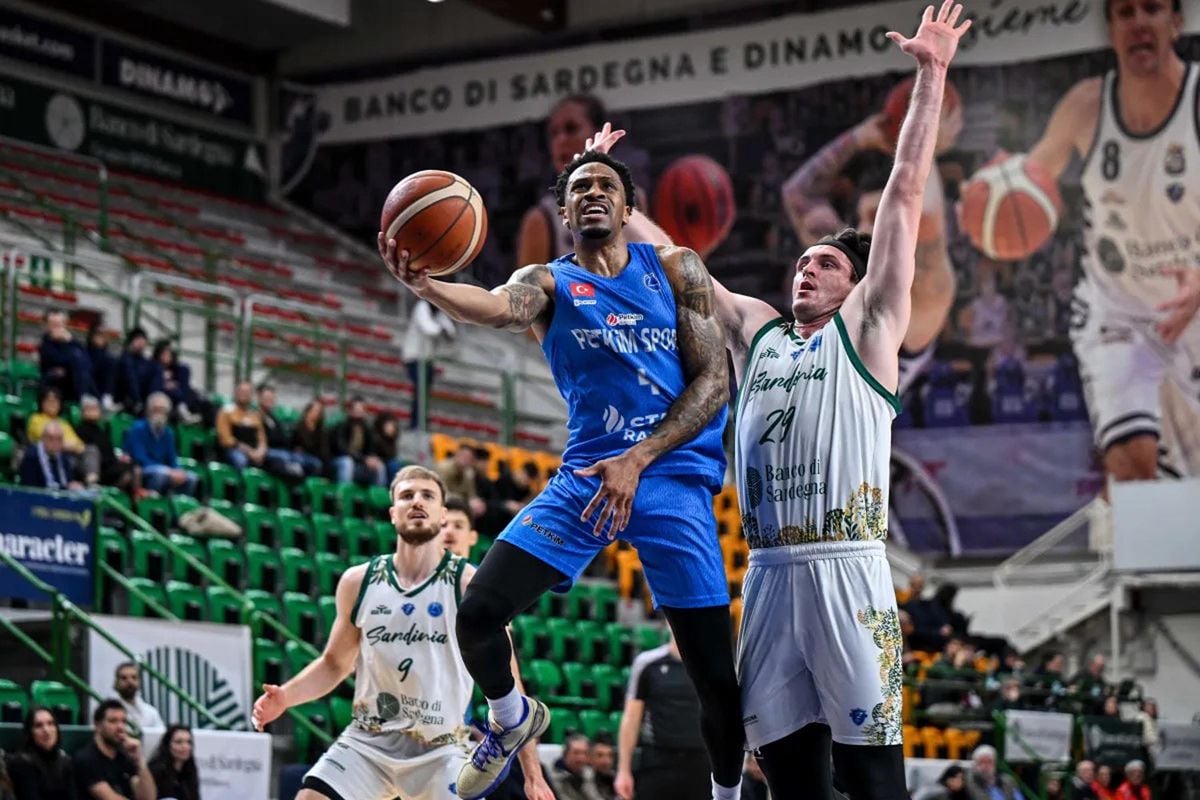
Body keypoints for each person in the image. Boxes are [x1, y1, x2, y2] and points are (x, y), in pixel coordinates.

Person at [380, 145, 743, 798]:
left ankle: (727, 794)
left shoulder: (675, 268)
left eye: (605, 185)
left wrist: (639, 457)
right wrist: (428, 287)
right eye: (579, 188)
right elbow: (495, 307)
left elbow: (715, 382)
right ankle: (510, 719)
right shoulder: (547, 283)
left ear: (627, 210)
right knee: (477, 615)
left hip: (671, 479)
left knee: (716, 679)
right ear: (565, 214)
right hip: (588, 478)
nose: (592, 192)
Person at [711, 5, 971, 797]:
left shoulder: (870, 325)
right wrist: (613, 202)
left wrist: (931, 75)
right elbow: (692, 277)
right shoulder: (761, 334)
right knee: (789, 782)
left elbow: (904, 193)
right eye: (800, 261)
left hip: (847, 566)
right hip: (768, 574)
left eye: (824, 263)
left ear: (855, 286)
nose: (806, 268)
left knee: (872, 781)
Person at [251, 466, 553, 800]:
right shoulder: (358, 582)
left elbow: (510, 683)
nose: (417, 501)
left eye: (428, 496)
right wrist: (287, 697)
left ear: (442, 514)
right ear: (393, 513)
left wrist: (533, 774)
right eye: (407, 495)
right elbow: (335, 663)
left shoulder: (470, 586)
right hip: (368, 741)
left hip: (441, 750)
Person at [1016, 0, 1199, 482]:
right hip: (1116, 310)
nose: (1138, 22)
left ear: (1176, 22)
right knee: (1131, 461)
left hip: (1193, 309)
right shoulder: (1085, 106)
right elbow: (1030, 182)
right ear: (1112, 29)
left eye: (1152, 8)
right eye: (1125, 12)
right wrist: (995, 195)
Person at [615, 634, 713, 800]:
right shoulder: (647, 663)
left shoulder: (713, 665)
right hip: (658, 760)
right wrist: (623, 770)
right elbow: (631, 719)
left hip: (702, 762)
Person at [72, 700, 155, 800]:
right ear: (98, 726)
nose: (120, 727)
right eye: (113, 721)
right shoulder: (86, 758)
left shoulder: (124, 757)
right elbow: (110, 797)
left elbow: (148, 797)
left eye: (123, 721)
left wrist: (140, 759)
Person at [123, 395, 197, 496]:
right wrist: (168, 471)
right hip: (142, 468)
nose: (159, 414)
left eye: (163, 410)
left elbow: (172, 458)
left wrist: (177, 471)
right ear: (149, 411)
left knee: (191, 477)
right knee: (160, 473)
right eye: (156, 409)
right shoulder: (138, 428)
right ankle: (152, 502)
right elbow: (140, 457)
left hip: (164, 470)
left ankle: (178, 503)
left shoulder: (168, 432)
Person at [402, 298, 457, 429]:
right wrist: (442, 330)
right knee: (420, 389)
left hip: (427, 359)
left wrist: (446, 330)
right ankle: (416, 423)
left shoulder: (438, 311)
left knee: (425, 391)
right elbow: (428, 327)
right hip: (414, 357)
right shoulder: (422, 306)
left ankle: (421, 421)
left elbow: (450, 330)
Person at [5, 706, 77, 800]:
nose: (46, 730)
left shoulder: (65, 761)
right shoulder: (21, 763)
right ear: (30, 732)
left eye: (51, 724)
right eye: (38, 726)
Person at [76, 395, 138, 494]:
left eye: (95, 408)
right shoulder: (80, 430)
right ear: (83, 412)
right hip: (98, 469)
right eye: (89, 409)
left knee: (134, 466)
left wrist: (118, 458)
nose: (93, 412)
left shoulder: (101, 430)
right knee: (128, 470)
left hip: (110, 465)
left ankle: (134, 498)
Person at [39, 310, 95, 403]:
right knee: (77, 363)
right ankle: (83, 398)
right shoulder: (45, 344)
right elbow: (59, 360)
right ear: (46, 326)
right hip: (53, 379)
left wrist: (70, 341)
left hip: (72, 375)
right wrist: (67, 345)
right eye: (54, 324)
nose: (57, 328)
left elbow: (87, 361)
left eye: (60, 324)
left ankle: (93, 399)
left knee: (85, 371)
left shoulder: (72, 341)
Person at [330, 396, 385, 486]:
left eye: (361, 409)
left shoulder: (367, 429)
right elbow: (342, 449)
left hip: (359, 464)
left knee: (379, 465)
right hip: (339, 461)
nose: (359, 412)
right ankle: (344, 491)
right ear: (350, 410)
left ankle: (378, 493)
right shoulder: (341, 426)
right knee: (347, 462)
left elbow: (371, 449)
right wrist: (363, 459)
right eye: (356, 409)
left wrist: (372, 459)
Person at [215, 381, 267, 471]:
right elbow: (226, 439)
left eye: (247, 392)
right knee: (241, 460)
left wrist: (261, 451)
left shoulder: (254, 414)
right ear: (236, 393)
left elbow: (262, 439)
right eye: (242, 392)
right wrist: (249, 452)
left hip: (254, 450)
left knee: (273, 460)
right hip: (233, 449)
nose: (244, 395)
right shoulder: (226, 411)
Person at [257, 383, 304, 479]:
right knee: (285, 458)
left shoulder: (273, 418)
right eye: (267, 398)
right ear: (259, 398)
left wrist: (295, 446)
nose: (270, 400)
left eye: (272, 398)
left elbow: (282, 438)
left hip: (281, 451)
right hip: (266, 451)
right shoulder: (256, 416)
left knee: (308, 461)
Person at [151, 342, 205, 426]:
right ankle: (182, 410)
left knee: (191, 394)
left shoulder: (176, 369)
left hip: (177, 395)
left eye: (169, 354)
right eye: (164, 354)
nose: (166, 356)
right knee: (173, 392)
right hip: (161, 395)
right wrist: (164, 382)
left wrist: (173, 385)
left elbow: (181, 386)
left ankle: (184, 409)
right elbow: (156, 386)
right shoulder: (155, 368)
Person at [18, 421, 82, 491]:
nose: (55, 442)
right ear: (43, 438)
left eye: (59, 439)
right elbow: (31, 488)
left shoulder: (63, 456)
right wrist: (65, 488)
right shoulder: (31, 457)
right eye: (51, 438)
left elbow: (69, 481)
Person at [27, 387, 86, 456]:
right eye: (49, 401)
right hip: (45, 456)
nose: (53, 404)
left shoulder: (63, 422)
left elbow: (81, 445)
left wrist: (73, 446)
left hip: (70, 456)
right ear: (42, 403)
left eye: (56, 401)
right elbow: (51, 442)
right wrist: (71, 446)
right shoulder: (35, 419)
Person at [115, 329, 161, 416]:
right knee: (129, 367)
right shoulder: (124, 359)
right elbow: (128, 378)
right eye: (138, 339)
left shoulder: (147, 362)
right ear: (131, 341)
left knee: (157, 369)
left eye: (143, 340)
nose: (141, 343)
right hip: (125, 396)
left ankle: (152, 404)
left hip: (144, 395)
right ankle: (137, 403)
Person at [436, 444, 487, 521]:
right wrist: (466, 501)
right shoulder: (444, 468)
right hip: (444, 502)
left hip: (460, 503)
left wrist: (476, 502)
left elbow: (471, 494)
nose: (465, 459)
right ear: (456, 455)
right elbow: (443, 493)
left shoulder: (469, 473)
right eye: (463, 455)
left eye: (468, 458)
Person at [146, 726, 198, 800]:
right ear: (168, 745)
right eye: (179, 742)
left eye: (189, 742)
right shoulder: (156, 771)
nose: (185, 746)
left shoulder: (190, 771)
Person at [113, 663, 164, 732]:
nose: (130, 681)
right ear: (116, 682)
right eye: (124, 678)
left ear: (139, 681)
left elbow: (161, 734)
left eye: (134, 677)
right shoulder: (109, 712)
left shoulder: (151, 712)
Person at [549, 733, 602, 800]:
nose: (581, 758)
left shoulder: (588, 773)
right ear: (565, 754)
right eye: (576, 753)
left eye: (585, 753)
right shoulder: (553, 776)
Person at [289, 398, 329, 477]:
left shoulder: (322, 430)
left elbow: (323, 451)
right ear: (307, 411)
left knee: (317, 463)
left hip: (315, 457)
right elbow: (293, 445)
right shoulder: (299, 427)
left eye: (318, 411)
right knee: (297, 459)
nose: (315, 413)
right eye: (313, 410)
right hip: (300, 457)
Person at [86, 322, 117, 409]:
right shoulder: (83, 354)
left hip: (103, 396)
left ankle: (106, 398)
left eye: (104, 334)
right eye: (98, 333)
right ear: (92, 335)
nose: (101, 336)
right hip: (86, 393)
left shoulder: (110, 359)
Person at [441, 496, 480, 560]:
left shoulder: (486, 567)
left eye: (458, 526)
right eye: (443, 525)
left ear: (473, 537)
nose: (449, 531)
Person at [589, 732, 617, 800]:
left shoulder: (617, 781)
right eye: (600, 755)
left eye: (610, 755)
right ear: (589, 758)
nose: (606, 761)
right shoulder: (581, 783)